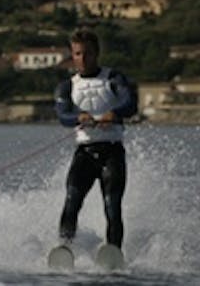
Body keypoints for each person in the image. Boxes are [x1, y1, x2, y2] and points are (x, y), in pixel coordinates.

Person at [54, 29, 137, 249]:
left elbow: (129, 104)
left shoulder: (113, 78)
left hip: (112, 153)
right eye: (78, 54)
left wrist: (114, 113)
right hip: (85, 153)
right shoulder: (67, 86)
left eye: (87, 53)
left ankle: (113, 251)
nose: (82, 58)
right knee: (71, 201)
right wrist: (78, 117)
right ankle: (64, 248)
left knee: (112, 207)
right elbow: (63, 116)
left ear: (97, 53)